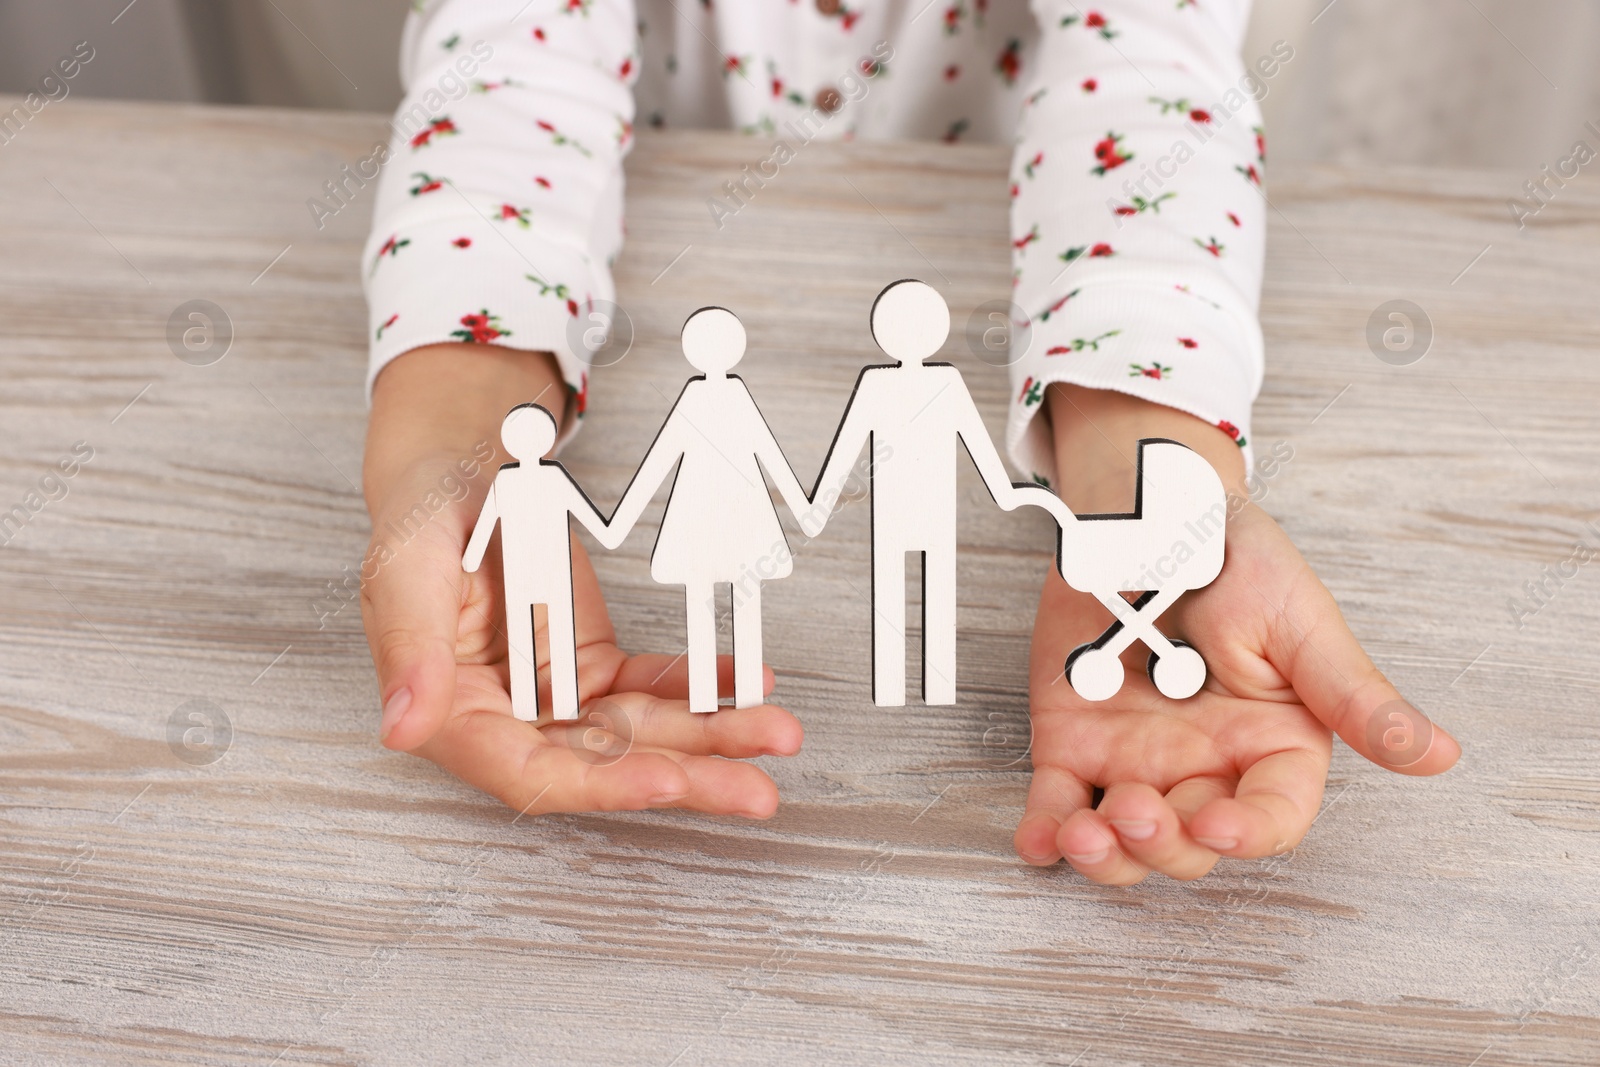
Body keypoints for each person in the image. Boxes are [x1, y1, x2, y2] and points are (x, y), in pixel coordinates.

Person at [359, 0, 1460, 884]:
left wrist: (1137, 456)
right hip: (739, 420)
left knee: (891, 609)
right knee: (764, 606)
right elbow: (508, 64)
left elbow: (1150, 72)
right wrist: (455, 432)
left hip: (957, 408)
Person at [810, 279, 1062, 707]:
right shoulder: (913, 383)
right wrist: (1004, 493)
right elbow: (850, 444)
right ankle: (908, 685)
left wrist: (817, 506)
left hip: (921, 508)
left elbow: (973, 440)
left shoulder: (929, 383)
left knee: (911, 589)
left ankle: (922, 685)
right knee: (920, 589)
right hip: (911, 509)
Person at [604, 307, 812, 715]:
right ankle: (711, 697)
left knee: (721, 594)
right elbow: (665, 456)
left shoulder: (719, 396)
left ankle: (736, 698)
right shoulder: (707, 397)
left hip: (723, 509)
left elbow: (664, 459)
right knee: (731, 593)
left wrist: (621, 521)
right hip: (714, 510)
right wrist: (806, 510)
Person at [462, 403, 617, 722]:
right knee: (552, 633)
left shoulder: (514, 480)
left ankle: (543, 705)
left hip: (531, 572)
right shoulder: (531, 479)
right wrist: (611, 531)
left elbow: (485, 527)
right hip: (539, 571)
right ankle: (551, 705)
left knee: (526, 635)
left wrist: (471, 557)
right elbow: (590, 517)